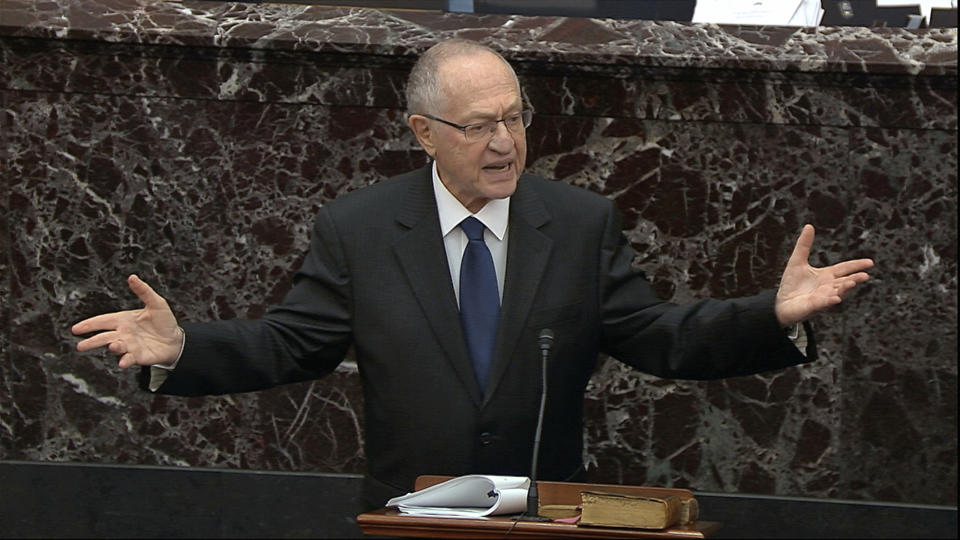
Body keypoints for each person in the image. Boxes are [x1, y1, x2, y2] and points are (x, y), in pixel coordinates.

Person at [71, 39, 874, 509]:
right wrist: (183, 349)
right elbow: (293, 344)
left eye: (515, 117)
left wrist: (774, 316)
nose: (504, 143)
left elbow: (659, 337)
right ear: (423, 132)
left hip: (547, 514)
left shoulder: (580, 223)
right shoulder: (360, 229)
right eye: (479, 125)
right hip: (409, 515)